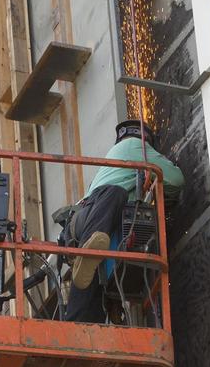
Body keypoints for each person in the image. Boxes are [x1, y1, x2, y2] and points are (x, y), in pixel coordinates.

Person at [65, 119, 185, 323]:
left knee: (87, 303)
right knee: (116, 194)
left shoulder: (110, 164)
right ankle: (90, 250)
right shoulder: (134, 147)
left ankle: (77, 335)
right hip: (91, 224)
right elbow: (176, 179)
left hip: (88, 229)